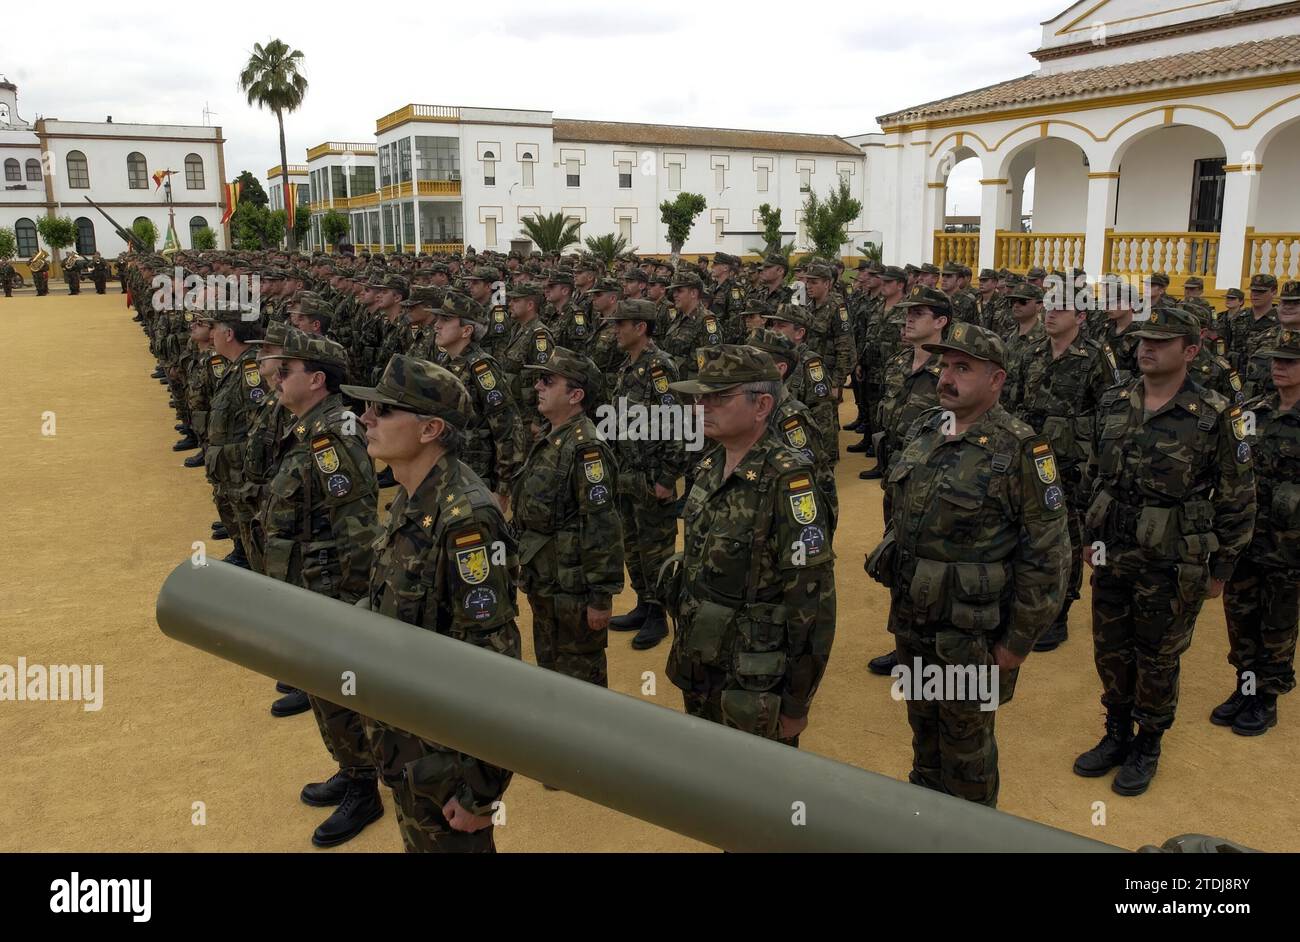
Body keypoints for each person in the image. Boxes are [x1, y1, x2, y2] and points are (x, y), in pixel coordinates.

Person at [866, 322, 1068, 806]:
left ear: (996, 380)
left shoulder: (1021, 448)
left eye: (963, 368)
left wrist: (1018, 643)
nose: (946, 377)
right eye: (944, 365)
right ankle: (927, 819)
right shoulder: (925, 429)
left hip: (972, 632)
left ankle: (973, 833)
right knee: (924, 732)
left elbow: (1046, 553)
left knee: (966, 749)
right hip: (915, 620)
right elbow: (899, 512)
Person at [1076, 307, 1256, 796]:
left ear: (1191, 351)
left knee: (1158, 657)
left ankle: (1148, 743)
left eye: (1160, 342)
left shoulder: (1217, 414)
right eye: (1142, 341)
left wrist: (1223, 567)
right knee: (1111, 649)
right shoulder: (1115, 401)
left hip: (1175, 558)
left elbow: (1238, 497)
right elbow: (1093, 475)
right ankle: (1115, 733)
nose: (1146, 349)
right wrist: (1088, 539)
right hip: (1114, 550)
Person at [347, 356, 521, 852]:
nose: (366, 418)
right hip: (410, 741)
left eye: (384, 411)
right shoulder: (413, 494)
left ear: (430, 428)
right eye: (368, 408)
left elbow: (494, 662)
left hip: (445, 762)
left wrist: (480, 792)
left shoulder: (466, 519)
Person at [663, 346, 836, 746]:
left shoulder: (788, 481)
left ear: (761, 406)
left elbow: (812, 603)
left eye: (719, 397)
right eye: (700, 397)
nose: (702, 407)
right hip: (702, 657)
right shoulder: (710, 464)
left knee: (759, 793)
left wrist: (796, 702)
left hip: (755, 677)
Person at [258, 331, 386, 847]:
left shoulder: (333, 436)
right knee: (323, 687)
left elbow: (355, 526)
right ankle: (352, 770)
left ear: (316, 380)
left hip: (327, 586)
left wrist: (350, 606)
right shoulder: (307, 427)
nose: (274, 377)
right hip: (305, 580)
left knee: (340, 690)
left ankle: (365, 786)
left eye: (284, 369)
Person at [1004, 295, 1117, 652]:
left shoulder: (1096, 356)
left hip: (1072, 464)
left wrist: (1097, 466)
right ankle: (1024, 601)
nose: (1050, 314)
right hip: (1031, 459)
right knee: (1025, 528)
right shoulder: (1032, 351)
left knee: (1066, 535)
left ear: (1080, 317)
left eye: (1060, 310)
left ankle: (1060, 610)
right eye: (1048, 308)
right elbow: (1014, 402)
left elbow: (1110, 413)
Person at [514, 348, 625, 688]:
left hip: (572, 593)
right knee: (551, 672)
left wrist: (600, 599)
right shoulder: (555, 437)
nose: (538, 386)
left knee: (581, 683)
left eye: (548, 381)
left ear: (576, 395)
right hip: (547, 581)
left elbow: (602, 527)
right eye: (538, 380)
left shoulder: (585, 449)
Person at [1215, 327, 1300, 735]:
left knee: (1278, 623)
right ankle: (1245, 687)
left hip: (1289, 547)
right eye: (1276, 360)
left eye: (1289, 362)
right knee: (1240, 618)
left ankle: (1267, 695)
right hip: (1247, 539)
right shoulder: (1253, 411)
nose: (1279, 367)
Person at [604, 299, 688, 650]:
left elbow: (679, 425)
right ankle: (643, 603)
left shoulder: (660, 368)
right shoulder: (629, 367)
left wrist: (668, 478)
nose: (615, 329)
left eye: (621, 324)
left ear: (641, 328)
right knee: (633, 547)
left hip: (652, 474)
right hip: (627, 474)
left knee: (656, 550)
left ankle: (658, 614)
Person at [205, 309, 271, 569]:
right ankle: (242, 551)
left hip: (241, 467)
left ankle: (248, 556)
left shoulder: (250, 369)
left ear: (229, 333)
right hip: (230, 466)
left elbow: (258, 422)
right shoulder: (237, 366)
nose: (211, 335)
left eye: (215, 328)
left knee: (251, 523)